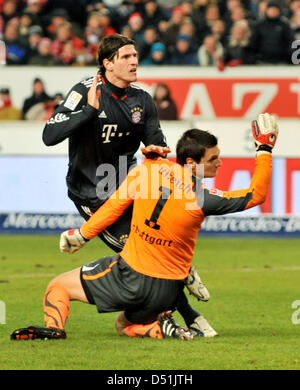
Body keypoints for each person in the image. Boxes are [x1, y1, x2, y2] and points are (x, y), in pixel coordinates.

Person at [11, 113, 279, 341]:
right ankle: (160, 327)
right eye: (213, 159)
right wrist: (264, 150)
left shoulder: (147, 170)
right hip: (168, 293)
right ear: (190, 163)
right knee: (123, 326)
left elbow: (114, 207)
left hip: (131, 275)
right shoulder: (202, 199)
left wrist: (82, 234)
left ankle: (54, 330)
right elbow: (256, 195)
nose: (219, 163)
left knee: (57, 286)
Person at [42, 33, 211, 337]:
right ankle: (189, 314)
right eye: (126, 57)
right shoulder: (84, 91)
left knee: (158, 242)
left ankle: (182, 298)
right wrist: (88, 113)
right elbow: (49, 135)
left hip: (129, 187)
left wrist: (156, 152)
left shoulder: (141, 100)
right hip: (91, 194)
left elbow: (156, 145)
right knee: (143, 254)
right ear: (108, 63)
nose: (135, 61)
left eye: (135, 56)